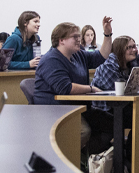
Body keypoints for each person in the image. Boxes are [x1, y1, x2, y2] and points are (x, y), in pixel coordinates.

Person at [33, 17, 114, 154]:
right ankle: (66, 160)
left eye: (79, 36)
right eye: (74, 37)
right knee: (84, 131)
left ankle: (90, 161)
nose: (79, 39)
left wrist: (107, 34)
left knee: (113, 124)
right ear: (61, 40)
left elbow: (102, 56)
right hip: (55, 110)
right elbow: (65, 88)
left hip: (78, 107)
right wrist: (91, 88)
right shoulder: (51, 60)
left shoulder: (78, 55)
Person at [91, 35, 139, 117]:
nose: (135, 50)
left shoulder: (130, 64)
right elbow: (120, 90)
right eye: (130, 47)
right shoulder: (108, 66)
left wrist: (136, 63)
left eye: (135, 46)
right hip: (103, 111)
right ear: (120, 50)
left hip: (121, 106)